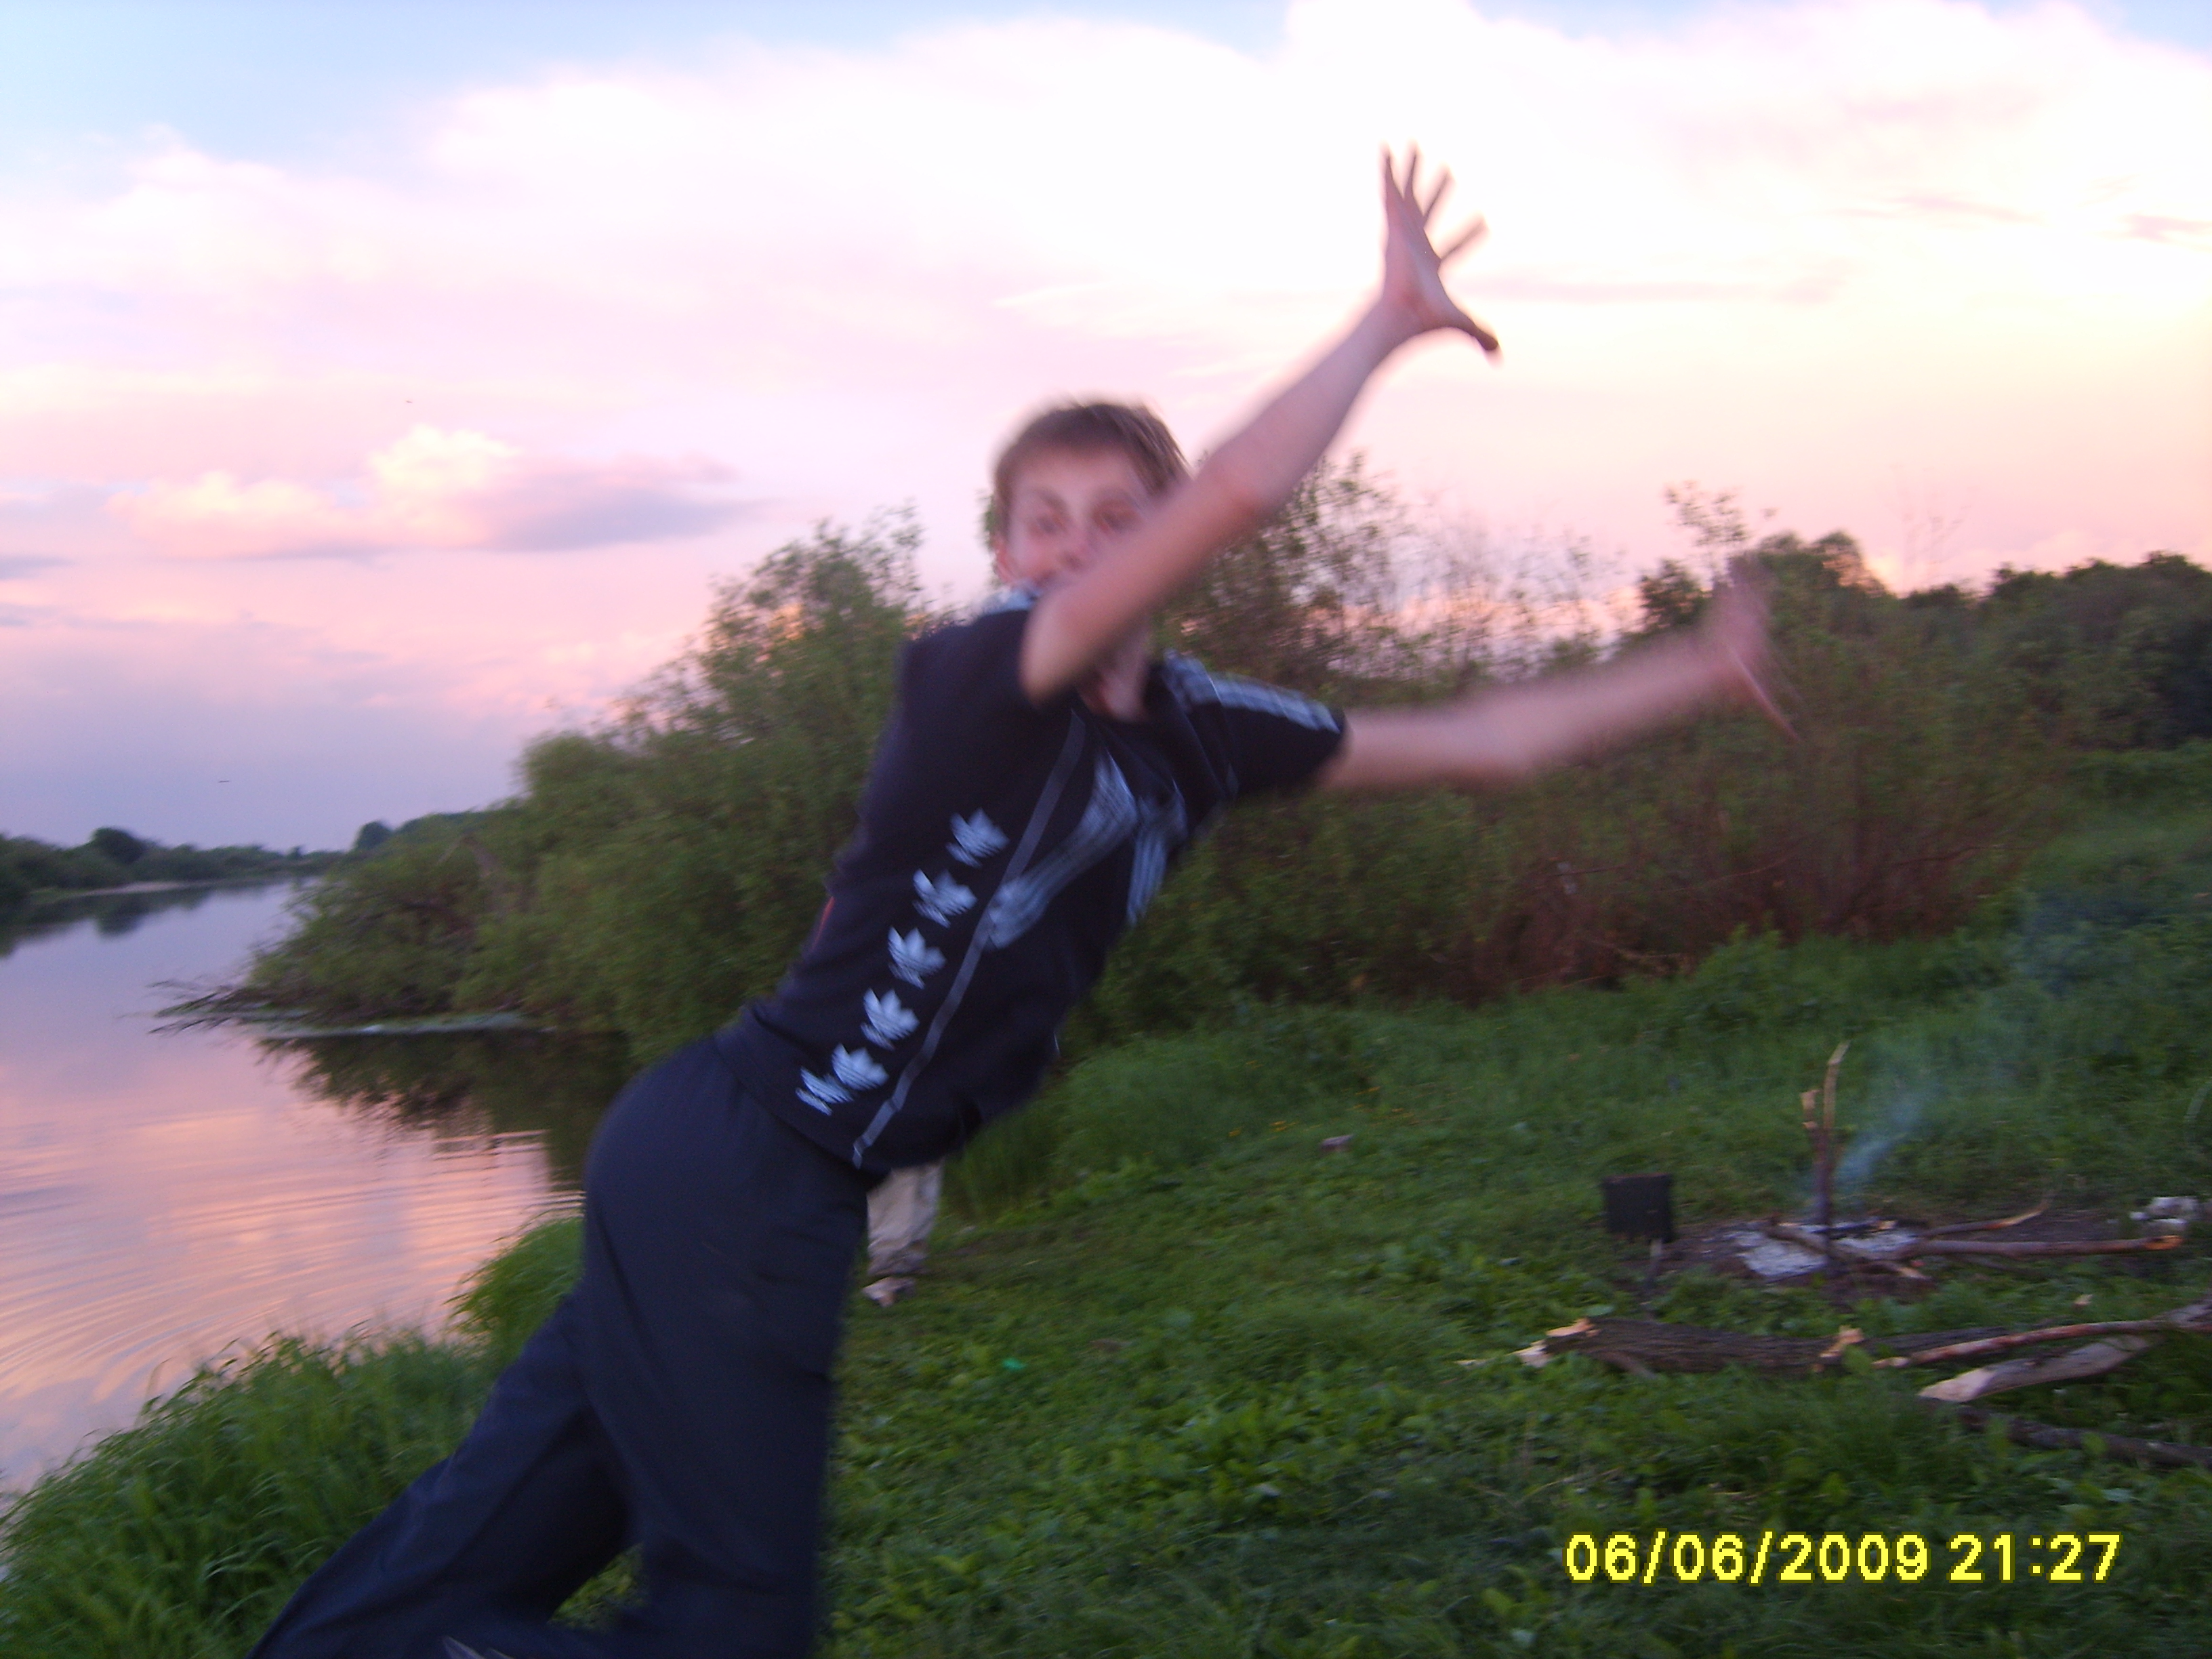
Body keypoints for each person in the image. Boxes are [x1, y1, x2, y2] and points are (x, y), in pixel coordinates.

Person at [247, 150, 1776, 1659]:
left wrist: (1697, 672)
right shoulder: (977, 676)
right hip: (742, 1168)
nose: (1078, 546)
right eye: (1045, 519)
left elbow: (1486, 744)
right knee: (734, 1636)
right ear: (1002, 554)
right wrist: (1385, 321)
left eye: (1118, 518)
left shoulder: (1203, 732)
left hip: (743, 1179)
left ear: (1157, 552)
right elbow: (1244, 486)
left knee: (446, 1568)